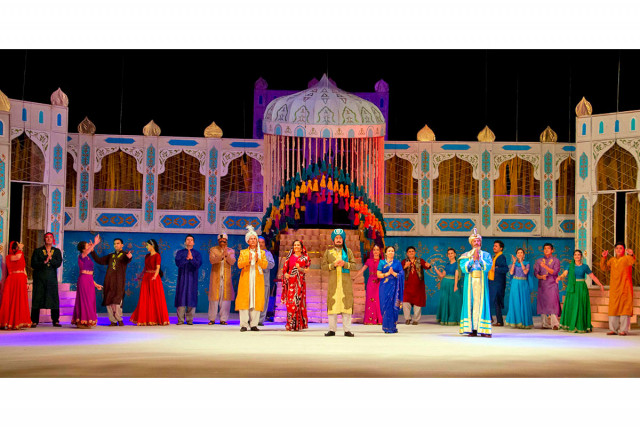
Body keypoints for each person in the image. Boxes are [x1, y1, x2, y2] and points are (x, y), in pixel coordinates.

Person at [557, 249, 604, 333]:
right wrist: (560, 277)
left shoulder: (585, 266)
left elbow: (592, 276)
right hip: (572, 288)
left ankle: (581, 325)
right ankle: (571, 324)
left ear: (581, 256)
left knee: (581, 306)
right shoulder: (570, 266)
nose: (577, 256)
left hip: (582, 288)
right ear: (573, 256)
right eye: (575, 255)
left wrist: (600, 284)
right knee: (573, 305)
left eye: (578, 254)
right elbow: (564, 274)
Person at [321, 228, 356, 337]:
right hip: (333, 284)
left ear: (343, 239)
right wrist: (333, 265)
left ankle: (347, 330)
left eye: (340, 238)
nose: (338, 239)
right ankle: (332, 330)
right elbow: (323, 266)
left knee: (347, 306)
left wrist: (345, 264)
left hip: (345, 284)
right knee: (333, 306)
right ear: (333, 240)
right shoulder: (328, 252)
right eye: (336, 238)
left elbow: (354, 266)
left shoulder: (348, 252)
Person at [91, 235, 132, 326]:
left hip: (119, 281)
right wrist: (92, 250)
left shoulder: (124, 255)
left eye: (118, 243)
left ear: (122, 245)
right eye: (114, 244)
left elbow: (127, 259)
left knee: (117, 301)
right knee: (108, 301)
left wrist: (129, 257)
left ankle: (119, 319)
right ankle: (112, 321)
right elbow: (99, 260)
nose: (116, 245)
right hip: (109, 281)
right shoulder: (111, 255)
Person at [459, 228, 493, 337]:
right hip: (470, 283)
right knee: (471, 304)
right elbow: (463, 268)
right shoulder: (466, 255)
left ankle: (483, 329)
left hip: (481, 283)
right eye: (474, 241)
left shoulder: (486, 255)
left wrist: (480, 260)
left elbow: (488, 267)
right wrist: (472, 260)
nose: (476, 243)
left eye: (478, 241)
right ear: (471, 243)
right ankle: (472, 329)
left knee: (482, 304)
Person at [235, 225, 268, 332]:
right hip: (246, 279)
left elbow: (265, 265)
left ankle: (254, 324)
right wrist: (248, 260)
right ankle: (244, 324)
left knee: (256, 300)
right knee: (245, 300)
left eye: (255, 239)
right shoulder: (243, 252)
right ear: (248, 241)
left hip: (257, 279)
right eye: (251, 239)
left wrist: (258, 259)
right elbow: (239, 264)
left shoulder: (261, 253)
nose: (253, 240)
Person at [129, 239, 169, 326]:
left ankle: (156, 319)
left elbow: (158, 268)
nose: (146, 247)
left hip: (154, 278)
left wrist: (155, 276)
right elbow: (145, 268)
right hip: (146, 278)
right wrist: (139, 276)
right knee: (145, 298)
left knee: (155, 298)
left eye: (147, 245)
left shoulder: (157, 256)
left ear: (152, 245)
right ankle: (146, 319)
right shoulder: (147, 256)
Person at [600, 242, 636, 336]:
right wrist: (604, 257)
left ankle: (623, 330)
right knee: (613, 308)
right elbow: (604, 268)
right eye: (617, 248)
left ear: (624, 250)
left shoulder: (627, 258)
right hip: (614, 288)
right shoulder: (612, 260)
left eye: (621, 248)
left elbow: (633, 261)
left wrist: (631, 254)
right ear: (615, 250)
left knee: (625, 308)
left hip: (625, 287)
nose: (619, 250)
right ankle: (613, 329)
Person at [30, 232, 63, 327]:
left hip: (51, 279)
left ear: (53, 239)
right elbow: (33, 264)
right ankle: (34, 320)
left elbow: (58, 263)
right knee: (37, 298)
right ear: (44, 239)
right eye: (47, 237)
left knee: (53, 298)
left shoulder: (56, 251)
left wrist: (51, 259)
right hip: (39, 278)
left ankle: (55, 320)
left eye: (50, 237)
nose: (48, 239)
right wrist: (44, 262)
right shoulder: (38, 251)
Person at [71, 239, 103, 329]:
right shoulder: (82, 255)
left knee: (90, 300)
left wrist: (95, 284)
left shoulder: (88, 257)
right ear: (83, 249)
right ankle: (81, 321)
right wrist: (95, 243)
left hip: (89, 280)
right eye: (87, 245)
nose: (89, 245)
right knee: (84, 300)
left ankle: (86, 321)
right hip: (84, 280)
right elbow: (85, 273)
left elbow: (90, 274)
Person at [0, 242, 32, 330]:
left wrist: (26, 282)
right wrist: (21, 249)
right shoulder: (9, 257)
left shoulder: (21, 255)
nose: (18, 248)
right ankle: (10, 322)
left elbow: (24, 269)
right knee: (11, 301)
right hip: (13, 280)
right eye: (16, 247)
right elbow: (16, 257)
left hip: (21, 280)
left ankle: (19, 322)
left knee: (20, 300)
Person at [281, 239, 310, 331]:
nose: (296, 247)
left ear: (301, 247)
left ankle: (298, 324)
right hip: (290, 282)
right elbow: (285, 270)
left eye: (298, 245)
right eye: (295, 245)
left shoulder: (305, 257)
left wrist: (299, 268)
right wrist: (286, 274)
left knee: (299, 302)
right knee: (290, 303)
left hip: (300, 282)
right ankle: (290, 324)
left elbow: (307, 270)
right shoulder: (289, 257)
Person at [208, 233, 236, 325]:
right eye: (220, 240)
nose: (222, 242)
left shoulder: (231, 251)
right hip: (215, 277)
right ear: (218, 241)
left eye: (224, 240)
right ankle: (212, 319)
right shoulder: (213, 250)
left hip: (226, 279)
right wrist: (221, 256)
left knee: (225, 299)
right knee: (214, 298)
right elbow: (212, 260)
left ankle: (223, 319)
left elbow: (232, 262)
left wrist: (227, 255)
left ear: (226, 241)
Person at [174, 234, 202, 325]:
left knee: (191, 297)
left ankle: (190, 320)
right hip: (182, 278)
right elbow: (178, 263)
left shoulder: (197, 254)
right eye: (188, 240)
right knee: (181, 297)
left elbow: (198, 264)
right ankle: (180, 320)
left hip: (192, 278)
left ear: (194, 243)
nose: (189, 241)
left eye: (191, 240)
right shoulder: (180, 253)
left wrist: (192, 259)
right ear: (185, 242)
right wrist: (187, 259)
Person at [377, 246, 405, 333]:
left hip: (395, 287)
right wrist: (387, 273)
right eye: (389, 251)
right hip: (384, 287)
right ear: (386, 253)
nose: (391, 252)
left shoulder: (397, 263)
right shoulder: (381, 262)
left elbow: (402, 274)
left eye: (392, 251)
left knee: (393, 306)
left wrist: (393, 273)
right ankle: (386, 327)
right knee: (385, 306)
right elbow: (378, 274)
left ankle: (393, 327)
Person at [534, 243, 561, 329]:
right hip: (542, 285)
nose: (546, 250)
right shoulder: (539, 261)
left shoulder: (556, 260)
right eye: (545, 248)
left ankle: (555, 324)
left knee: (553, 303)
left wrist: (545, 266)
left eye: (548, 248)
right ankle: (544, 323)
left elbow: (554, 272)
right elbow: (536, 273)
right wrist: (541, 277)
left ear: (552, 250)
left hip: (552, 284)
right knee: (543, 303)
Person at [401, 246, 431, 325]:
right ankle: (407, 318)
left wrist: (428, 266)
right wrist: (405, 266)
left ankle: (416, 320)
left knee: (418, 303)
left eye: (412, 251)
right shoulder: (404, 261)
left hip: (418, 286)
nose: (411, 253)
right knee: (405, 302)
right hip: (407, 286)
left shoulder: (420, 260)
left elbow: (426, 266)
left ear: (415, 252)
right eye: (409, 251)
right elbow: (399, 270)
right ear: (407, 253)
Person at [504, 248, 533, 329]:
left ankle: (523, 322)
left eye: (521, 253)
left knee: (523, 302)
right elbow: (511, 272)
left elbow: (525, 272)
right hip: (515, 283)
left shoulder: (527, 263)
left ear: (524, 255)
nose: (520, 254)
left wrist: (521, 262)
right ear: (516, 255)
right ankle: (515, 321)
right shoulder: (513, 263)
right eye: (518, 253)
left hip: (523, 283)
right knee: (515, 301)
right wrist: (514, 262)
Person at [354, 244, 382, 325]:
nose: (375, 251)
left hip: (379, 281)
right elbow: (362, 270)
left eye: (377, 250)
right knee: (370, 299)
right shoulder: (369, 261)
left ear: (380, 252)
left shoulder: (382, 261)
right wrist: (355, 277)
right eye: (374, 250)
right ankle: (370, 320)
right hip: (371, 282)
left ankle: (379, 319)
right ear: (372, 251)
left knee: (378, 300)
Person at [435, 248, 462, 325]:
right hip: (445, 285)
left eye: (451, 253)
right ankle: (445, 319)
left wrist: (455, 285)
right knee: (445, 301)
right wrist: (436, 270)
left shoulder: (457, 264)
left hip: (453, 284)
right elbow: (442, 275)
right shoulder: (447, 264)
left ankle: (453, 319)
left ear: (455, 254)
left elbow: (456, 275)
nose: (450, 255)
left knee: (454, 301)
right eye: (449, 254)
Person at [488, 240, 509, 326]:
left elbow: (505, 269)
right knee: (491, 301)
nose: (494, 247)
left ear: (501, 248)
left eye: (496, 246)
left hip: (498, 283)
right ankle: (491, 319)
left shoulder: (501, 257)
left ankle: (499, 321)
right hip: (492, 281)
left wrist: (495, 269)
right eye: (494, 246)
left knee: (497, 302)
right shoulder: (494, 257)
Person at [258, 236, 276, 326]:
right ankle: (252, 318)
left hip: (264, 280)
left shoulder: (268, 253)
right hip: (254, 280)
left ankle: (260, 320)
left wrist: (263, 263)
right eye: (259, 242)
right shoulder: (252, 252)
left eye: (262, 242)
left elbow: (272, 264)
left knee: (264, 299)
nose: (261, 244)